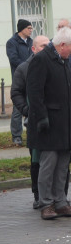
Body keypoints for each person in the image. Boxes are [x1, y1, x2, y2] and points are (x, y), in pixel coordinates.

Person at [26, 27, 71, 220]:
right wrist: (42, 118)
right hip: (49, 124)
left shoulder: (63, 60)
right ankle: (46, 203)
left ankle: (60, 201)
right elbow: (34, 93)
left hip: (65, 123)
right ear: (62, 45)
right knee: (48, 165)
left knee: (62, 165)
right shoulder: (41, 59)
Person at [11, 34, 49, 207]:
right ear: (33, 49)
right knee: (36, 159)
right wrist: (27, 111)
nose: (46, 48)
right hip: (34, 122)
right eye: (42, 46)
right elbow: (16, 92)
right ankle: (37, 195)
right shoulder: (24, 68)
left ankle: (58, 195)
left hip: (56, 120)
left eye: (48, 45)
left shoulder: (57, 64)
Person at [6, 19, 34, 147]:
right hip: (20, 79)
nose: (31, 30)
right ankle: (16, 136)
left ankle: (32, 134)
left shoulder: (31, 42)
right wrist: (27, 66)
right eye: (28, 28)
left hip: (33, 79)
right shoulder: (12, 43)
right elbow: (14, 59)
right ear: (21, 29)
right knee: (18, 109)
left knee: (32, 106)